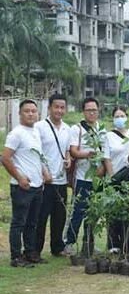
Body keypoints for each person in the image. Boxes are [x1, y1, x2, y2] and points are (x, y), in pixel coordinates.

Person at [3, 99, 49, 267]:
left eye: (33, 111)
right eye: (27, 111)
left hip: (37, 186)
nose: (31, 114)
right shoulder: (16, 133)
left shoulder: (35, 132)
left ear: (38, 114)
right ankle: (16, 257)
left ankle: (30, 252)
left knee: (32, 222)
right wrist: (20, 177)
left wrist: (44, 173)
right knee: (19, 222)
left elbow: (37, 156)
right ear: (20, 114)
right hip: (22, 186)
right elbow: (5, 158)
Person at [65, 97, 110, 257]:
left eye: (94, 110)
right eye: (89, 110)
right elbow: (73, 151)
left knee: (94, 213)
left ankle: (88, 244)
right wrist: (88, 154)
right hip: (82, 177)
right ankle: (69, 243)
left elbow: (106, 154)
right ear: (83, 112)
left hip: (97, 179)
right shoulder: (77, 129)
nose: (92, 112)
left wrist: (104, 169)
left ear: (98, 111)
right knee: (78, 211)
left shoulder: (102, 129)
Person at [34, 94, 71, 257]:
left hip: (61, 180)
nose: (59, 110)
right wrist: (44, 171)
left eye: (62, 107)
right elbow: (36, 152)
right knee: (41, 217)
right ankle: (35, 249)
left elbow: (67, 151)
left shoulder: (67, 128)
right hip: (45, 181)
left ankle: (57, 247)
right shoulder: (39, 127)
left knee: (59, 216)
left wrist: (69, 160)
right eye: (56, 107)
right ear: (49, 108)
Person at [105, 106, 129, 254]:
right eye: (117, 116)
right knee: (113, 211)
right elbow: (107, 158)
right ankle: (113, 244)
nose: (120, 118)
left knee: (128, 211)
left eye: (122, 115)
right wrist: (112, 178)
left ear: (127, 117)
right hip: (114, 177)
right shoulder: (108, 136)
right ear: (112, 118)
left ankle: (128, 245)